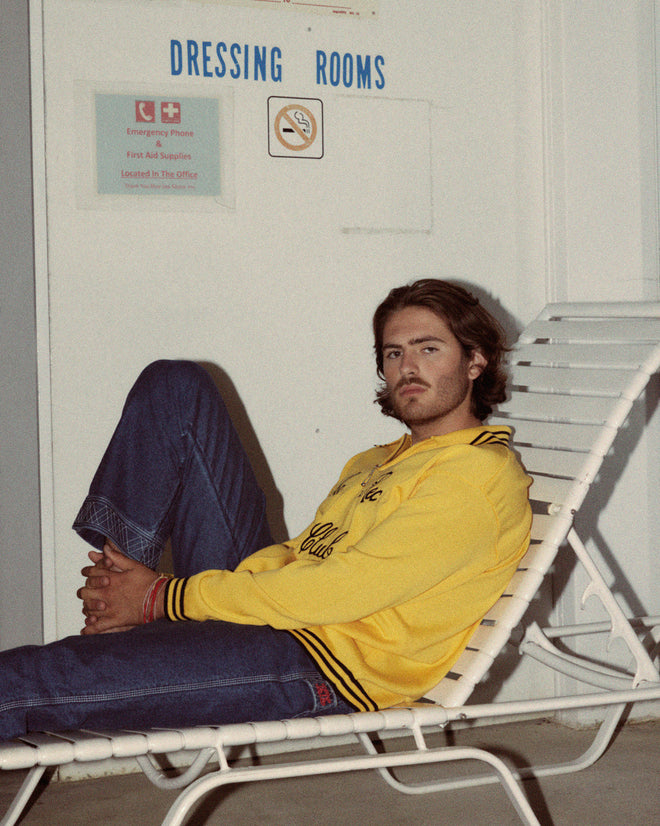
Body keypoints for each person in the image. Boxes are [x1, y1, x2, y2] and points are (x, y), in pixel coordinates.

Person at [0, 279, 531, 741]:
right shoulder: (378, 460)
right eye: (393, 353)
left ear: (475, 360)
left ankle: (129, 607)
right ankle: (118, 593)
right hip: (276, 614)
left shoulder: (474, 475)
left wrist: (168, 598)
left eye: (428, 349)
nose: (407, 367)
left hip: (321, 662)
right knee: (176, 385)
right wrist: (158, 595)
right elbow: (301, 558)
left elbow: (337, 591)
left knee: (31, 680)